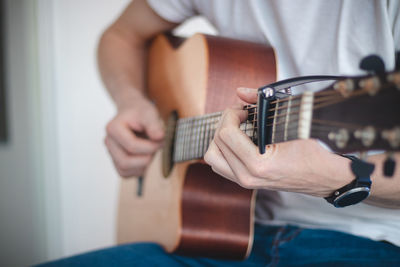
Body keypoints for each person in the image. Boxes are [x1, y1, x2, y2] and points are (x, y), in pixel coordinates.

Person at [39, 0, 400, 266]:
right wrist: (130, 101)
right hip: (220, 238)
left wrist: (337, 178)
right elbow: (120, 36)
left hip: (371, 243)